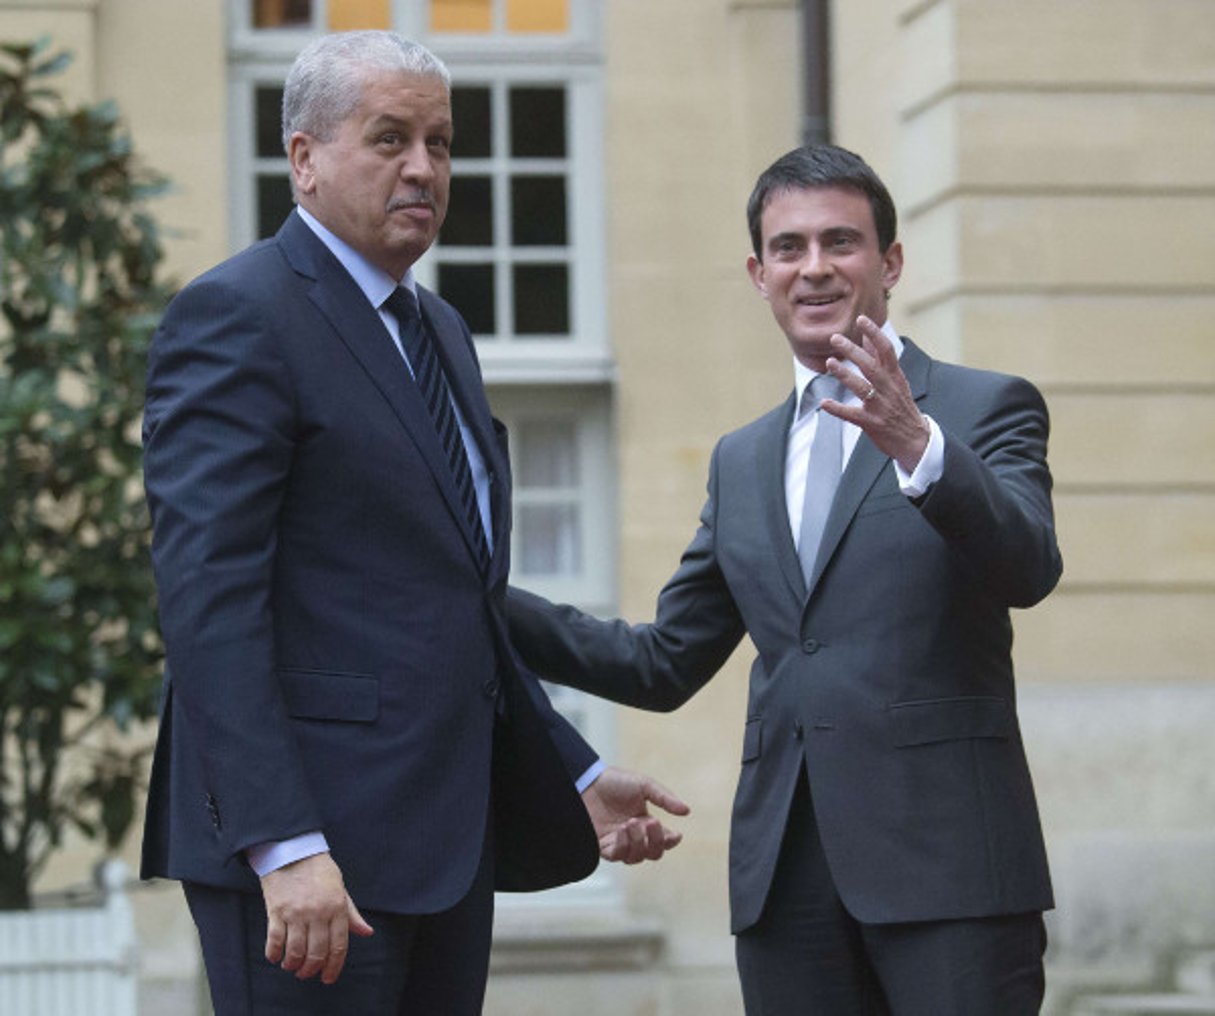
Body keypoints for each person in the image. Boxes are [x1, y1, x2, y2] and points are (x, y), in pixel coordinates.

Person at [141, 30, 687, 1015]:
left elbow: (450, 597)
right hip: (310, 868)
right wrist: (286, 843)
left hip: (443, 844)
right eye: (389, 138)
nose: (423, 167)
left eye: (440, 142)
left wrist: (575, 766)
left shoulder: (438, 332)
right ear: (302, 158)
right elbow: (208, 602)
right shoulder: (237, 316)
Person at [508, 143, 1061, 1014]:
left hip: (950, 876)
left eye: (839, 242)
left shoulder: (981, 408)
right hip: (785, 884)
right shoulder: (742, 459)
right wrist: (472, 596)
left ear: (890, 263)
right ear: (758, 273)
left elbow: (1027, 564)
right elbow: (662, 662)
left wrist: (917, 447)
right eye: (789, 248)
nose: (814, 268)